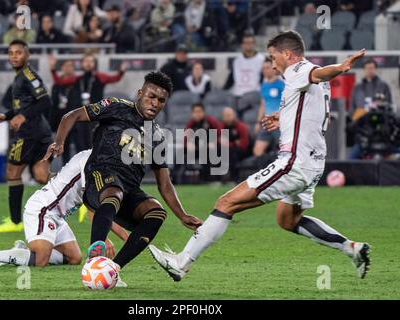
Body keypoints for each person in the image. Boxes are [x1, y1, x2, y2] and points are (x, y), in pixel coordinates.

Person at [149, 31, 371, 281]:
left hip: (293, 163)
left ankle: (181, 262)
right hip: (312, 164)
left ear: (287, 54)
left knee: (225, 203)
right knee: (287, 220)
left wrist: (341, 67)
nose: (272, 64)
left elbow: (319, 73)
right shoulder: (307, 82)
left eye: (273, 57)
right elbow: (313, 107)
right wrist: (282, 117)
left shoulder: (301, 70)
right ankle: (352, 249)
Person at [43, 71, 202, 278]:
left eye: (161, 100)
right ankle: (95, 258)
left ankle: (112, 270)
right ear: (139, 93)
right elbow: (71, 115)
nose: (155, 103)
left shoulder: (157, 137)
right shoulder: (116, 106)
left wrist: (182, 215)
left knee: (156, 213)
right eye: (151, 96)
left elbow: (164, 183)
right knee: (115, 191)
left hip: (128, 191)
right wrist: (60, 141)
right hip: (99, 178)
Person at [0, 150, 128, 277]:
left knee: (74, 258)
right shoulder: (91, 162)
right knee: (41, 259)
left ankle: (22, 254)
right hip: (43, 208)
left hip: (57, 215)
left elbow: (105, 210)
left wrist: (129, 239)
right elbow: (94, 208)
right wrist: (104, 238)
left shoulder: (99, 161)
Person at [0, 40, 53, 233]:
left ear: (27, 55)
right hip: (39, 132)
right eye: (11, 53)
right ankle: (83, 192)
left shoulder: (28, 75)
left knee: (12, 172)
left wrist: (22, 116)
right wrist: (7, 115)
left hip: (29, 133)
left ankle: (15, 221)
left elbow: (45, 101)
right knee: (42, 176)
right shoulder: (19, 77)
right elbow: (23, 105)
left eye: (18, 52)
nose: (14, 56)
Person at [48, 53, 126, 156]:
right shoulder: (77, 79)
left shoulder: (100, 77)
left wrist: (121, 72)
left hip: (95, 118)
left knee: (94, 146)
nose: (88, 64)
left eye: (91, 61)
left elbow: (115, 78)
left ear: (94, 64)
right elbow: (59, 82)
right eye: (86, 61)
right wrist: (53, 69)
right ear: (82, 64)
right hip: (81, 119)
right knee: (81, 148)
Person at [224, 32, 265, 112]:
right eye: (246, 43)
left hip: (254, 93)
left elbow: (264, 80)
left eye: (250, 43)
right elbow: (231, 79)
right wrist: (223, 90)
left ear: (254, 44)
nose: (248, 45)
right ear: (242, 45)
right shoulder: (237, 61)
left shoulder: (261, 60)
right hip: (237, 94)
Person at [253, 58, 285, 157]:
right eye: (263, 68)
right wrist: (258, 122)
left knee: (283, 150)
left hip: (279, 122)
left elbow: (287, 103)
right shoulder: (264, 85)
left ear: (274, 68)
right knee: (257, 151)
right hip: (267, 121)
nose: (265, 70)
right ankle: (267, 170)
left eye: (267, 68)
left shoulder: (282, 84)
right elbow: (263, 104)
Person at [184, 103, 222, 182]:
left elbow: (221, 135)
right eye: (195, 112)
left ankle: (212, 179)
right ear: (192, 113)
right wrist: (188, 144)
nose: (197, 114)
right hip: (197, 148)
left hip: (210, 148)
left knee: (212, 153)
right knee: (180, 153)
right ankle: (178, 178)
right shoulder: (190, 124)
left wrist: (214, 142)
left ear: (203, 112)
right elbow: (185, 139)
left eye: (199, 111)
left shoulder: (211, 122)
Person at [49, 59, 75, 165]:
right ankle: (65, 171)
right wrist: (52, 123)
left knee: (82, 146)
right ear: (62, 68)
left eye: (70, 66)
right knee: (63, 147)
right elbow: (53, 104)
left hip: (76, 120)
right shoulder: (57, 85)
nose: (68, 68)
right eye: (66, 66)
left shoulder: (77, 82)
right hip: (62, 121)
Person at [220, 107, 250, 182]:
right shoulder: (221, 127)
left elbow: (244, 144)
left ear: (234, 116)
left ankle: (234, 178)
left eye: (229, 115)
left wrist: (228, 144)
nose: (227, 118)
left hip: (245, 150)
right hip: (229, 149)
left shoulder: (241, 126)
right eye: (225, 116)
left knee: (232, 152)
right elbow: (219, 141)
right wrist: (234, 143)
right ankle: (214, 178)